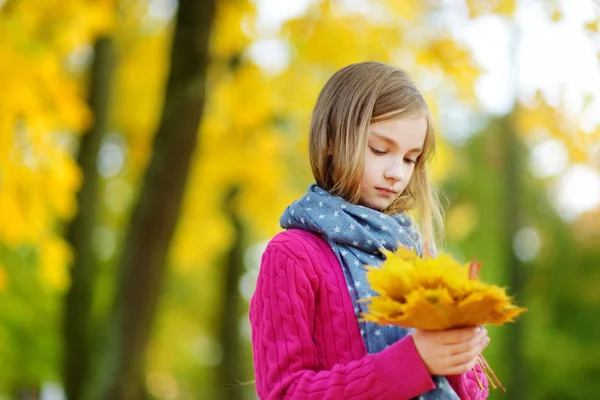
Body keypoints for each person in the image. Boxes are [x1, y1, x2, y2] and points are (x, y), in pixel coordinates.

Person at [249, 62, 489, 399]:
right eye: (380, 150)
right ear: (332, 141)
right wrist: (413, 361)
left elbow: (474, 391)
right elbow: (284, 393)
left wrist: (458, 351)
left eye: (410, 159)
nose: (396, 173)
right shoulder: (293, 255)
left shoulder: (417, 257)